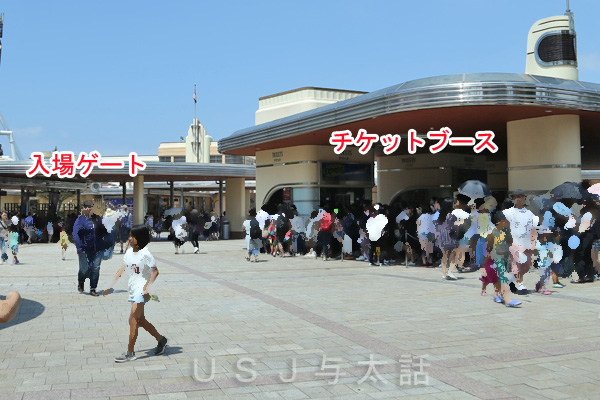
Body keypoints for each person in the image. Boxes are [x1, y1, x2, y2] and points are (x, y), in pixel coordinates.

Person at [102, 225, 168, 363]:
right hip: (132, 289)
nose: (130, 239)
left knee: (132, 320)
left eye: (133, 236)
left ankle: (130, 353)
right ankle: (161, 340)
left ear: (141, 238)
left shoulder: (146, 254)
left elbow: (155, 272)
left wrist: (147, 288)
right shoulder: (129, 252)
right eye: (130, 236)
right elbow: (121, 270)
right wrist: (109, 285)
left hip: (141, 291)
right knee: (140, 320)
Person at [503, 189, 539, 295]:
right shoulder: (508, 212)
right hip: (514, 243)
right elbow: (504, 227)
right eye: (515, 197)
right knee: (518, 263)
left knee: (526, 266)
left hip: (526, 243)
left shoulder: (529, 213)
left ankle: (511, 280)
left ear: (524, 198)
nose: (517, 199)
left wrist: (534, 242)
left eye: (519, 196)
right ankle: (520, 284)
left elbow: (533, 228)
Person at [73, 200, 109, 296]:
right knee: (84, 269)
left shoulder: (97, 219)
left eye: (90, 206)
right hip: (84, 249)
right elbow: (76, 235)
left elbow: (104, 232)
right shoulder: (80, 220)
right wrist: (79, 248)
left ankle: (93, 288)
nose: (88, 208)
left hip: (98, 248)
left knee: (95, 268)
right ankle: (81, 281)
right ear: (83, 208)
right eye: (86, 207)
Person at [487, 211, 521, 307]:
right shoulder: (493, 232)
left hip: (505, 257)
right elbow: (489, 246)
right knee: (503, 278)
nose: (507, 222)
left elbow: (510, 242)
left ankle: (496, 294)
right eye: (505, 220)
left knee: (500, 276)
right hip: (497, 257)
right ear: (498, 222)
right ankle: (507, 299)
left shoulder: (507, 232)